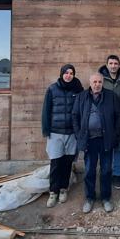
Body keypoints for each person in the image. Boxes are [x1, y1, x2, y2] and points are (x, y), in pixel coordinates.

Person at [72, 73, 120, 213]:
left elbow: (119, 116)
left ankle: (106, 198)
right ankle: (89, 198)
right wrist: (78, 135)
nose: (97, 84)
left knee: (106, 170)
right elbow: (75, 116)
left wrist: (115, 134)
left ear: (102, 83)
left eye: (99, 82)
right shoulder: (82, 97)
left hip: (106, 140)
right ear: (90, 82)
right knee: (89, 170)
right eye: (94, 82)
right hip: (89, 141)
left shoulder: (111, 96)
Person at [41, 64, 83, 208]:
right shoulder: (52, 89)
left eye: (71, 73)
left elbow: (81, 109)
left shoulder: (77, 89)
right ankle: (53, 192)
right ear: (61, 74)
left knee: (67, 163)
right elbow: (46, 110)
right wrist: (46, 130)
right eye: (66, 73)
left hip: (71, 133)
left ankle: (64, 189)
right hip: (55, 132)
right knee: (55, 163)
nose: (68, 75)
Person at [99, 55, 120, 190]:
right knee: (105, 147)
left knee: (119, 147)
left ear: (119, 65)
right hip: (104, 118)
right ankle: (106, 172)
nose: (113, 66)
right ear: (106, 65)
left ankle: (117, 174)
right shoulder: (100, 80)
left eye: (116, 63)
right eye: (110, 63)